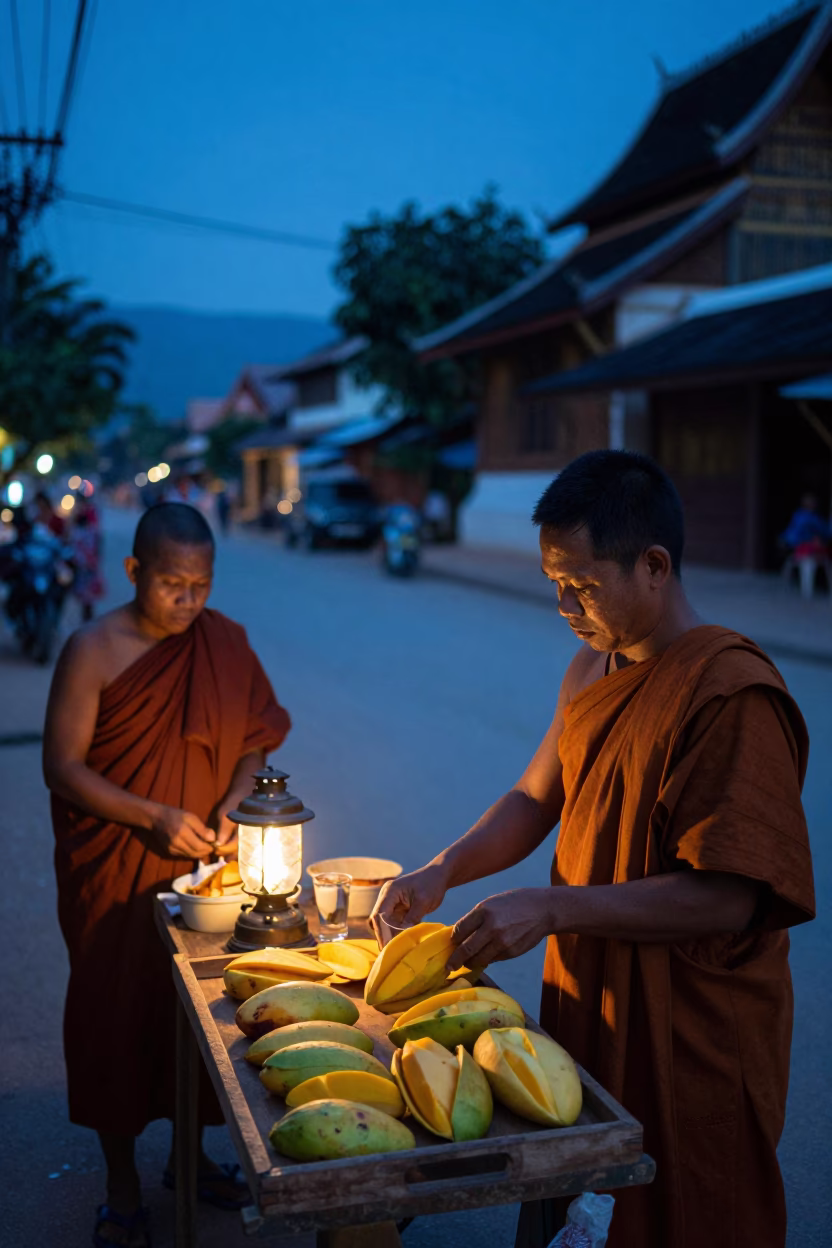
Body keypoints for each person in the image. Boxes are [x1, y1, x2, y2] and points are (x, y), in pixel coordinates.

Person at [371, 450, 815, 1248]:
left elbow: (731, 895)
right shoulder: (591, 667)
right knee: (576, 1182)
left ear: (654, 566)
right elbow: (538, 794)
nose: (566, 605)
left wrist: (551, 907)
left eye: (582, 585)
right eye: (555, 585)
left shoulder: (731, 691)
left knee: (687, 1201)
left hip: (693, 1019)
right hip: (592, 986)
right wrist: (443, 869)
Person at [44, 502, 291, 1248]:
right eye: (171, 584)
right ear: (134, 573)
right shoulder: (92, 648)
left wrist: (232, 804)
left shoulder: (226, 642)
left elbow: (256, 740)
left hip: (201, 868)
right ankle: (122, 1187)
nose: (188, 601)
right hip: (116, 865)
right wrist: (149, 815)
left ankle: (191, 1158)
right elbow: (62, 767)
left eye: (201, 584)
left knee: (201, 1020)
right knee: (114, 1016)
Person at [69, 494, 104, 621]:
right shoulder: (77, 519)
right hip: (82, 563)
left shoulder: (90, 519)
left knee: (87, 598)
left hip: (87, 564)